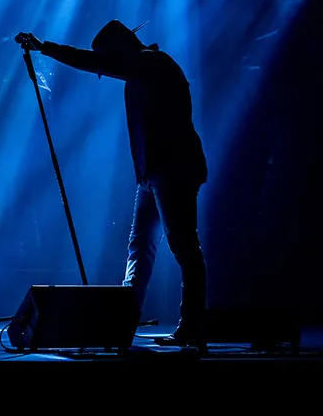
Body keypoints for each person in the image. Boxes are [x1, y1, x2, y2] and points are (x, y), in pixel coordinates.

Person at [16, 20, 208, 348]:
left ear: (118, 49)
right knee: (142, 247)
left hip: (172, 170)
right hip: (154, 173)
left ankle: (192, 325)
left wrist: (44, 47)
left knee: (183, 247)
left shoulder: (152, 62)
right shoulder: (143, 67)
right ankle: (122, 323)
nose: (105, 66)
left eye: (106, 57)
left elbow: (96, 63)